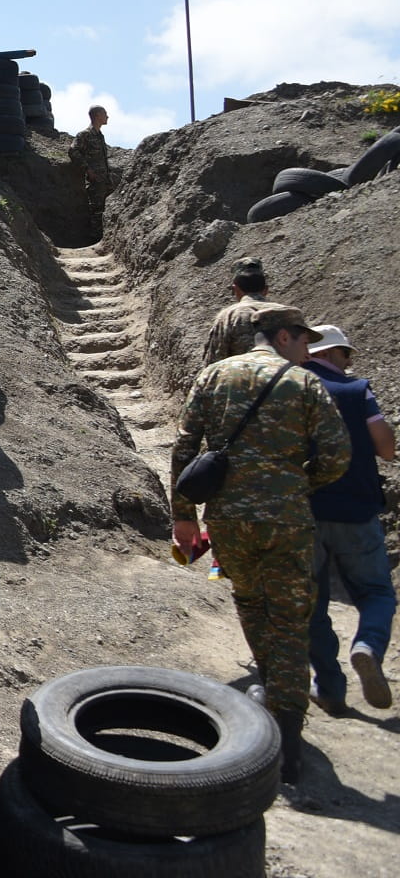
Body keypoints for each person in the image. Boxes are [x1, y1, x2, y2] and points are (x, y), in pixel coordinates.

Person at [171, 305, 350, 784]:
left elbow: (185, 449)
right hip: (287, 520)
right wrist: (297, 484)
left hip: (228, 521)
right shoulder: (303, 382)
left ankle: (271, 695)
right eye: (306, 341)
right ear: (286, 336)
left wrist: (184, 518)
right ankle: (287, 744)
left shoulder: (212, 376)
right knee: (290, 621)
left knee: (251, 603)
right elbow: (337, 455)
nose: (309, 350)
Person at [301, 324, 396, 714]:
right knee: (376, 592)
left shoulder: (291, 390)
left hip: (305, 511)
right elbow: (387, 448)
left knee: (314, 604)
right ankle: (368, 645)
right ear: (329, 354)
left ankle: (330, 689)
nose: (349, 362)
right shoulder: (357, 391)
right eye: (345, 354)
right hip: (357, 510)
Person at [203, 257, 272, 366]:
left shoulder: (228, 317)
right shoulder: (290, 314)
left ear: (235, 289)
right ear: (266, 290)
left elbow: (214, 363)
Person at [69, 105, 113, 210]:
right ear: (98, 115)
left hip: (105, 181)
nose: (107, 117)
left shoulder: (100, 136)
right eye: (105, 114)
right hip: (94, 182)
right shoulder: (85, 135)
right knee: (96, 212)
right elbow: (73, 151)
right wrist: (87, 170)